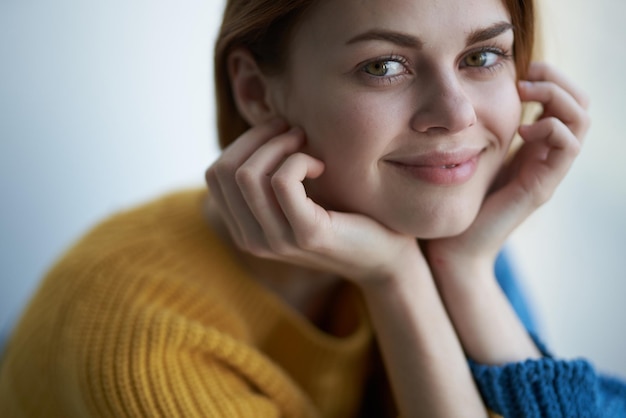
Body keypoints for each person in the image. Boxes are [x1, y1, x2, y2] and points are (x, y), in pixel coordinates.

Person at [1, 0, 626, 416]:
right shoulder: (144, 350)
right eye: (385, 66)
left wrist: (463, 271)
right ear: (257, 92)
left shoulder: (432, 221)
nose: (458, 114)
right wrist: (399, 278)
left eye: (482, 56)